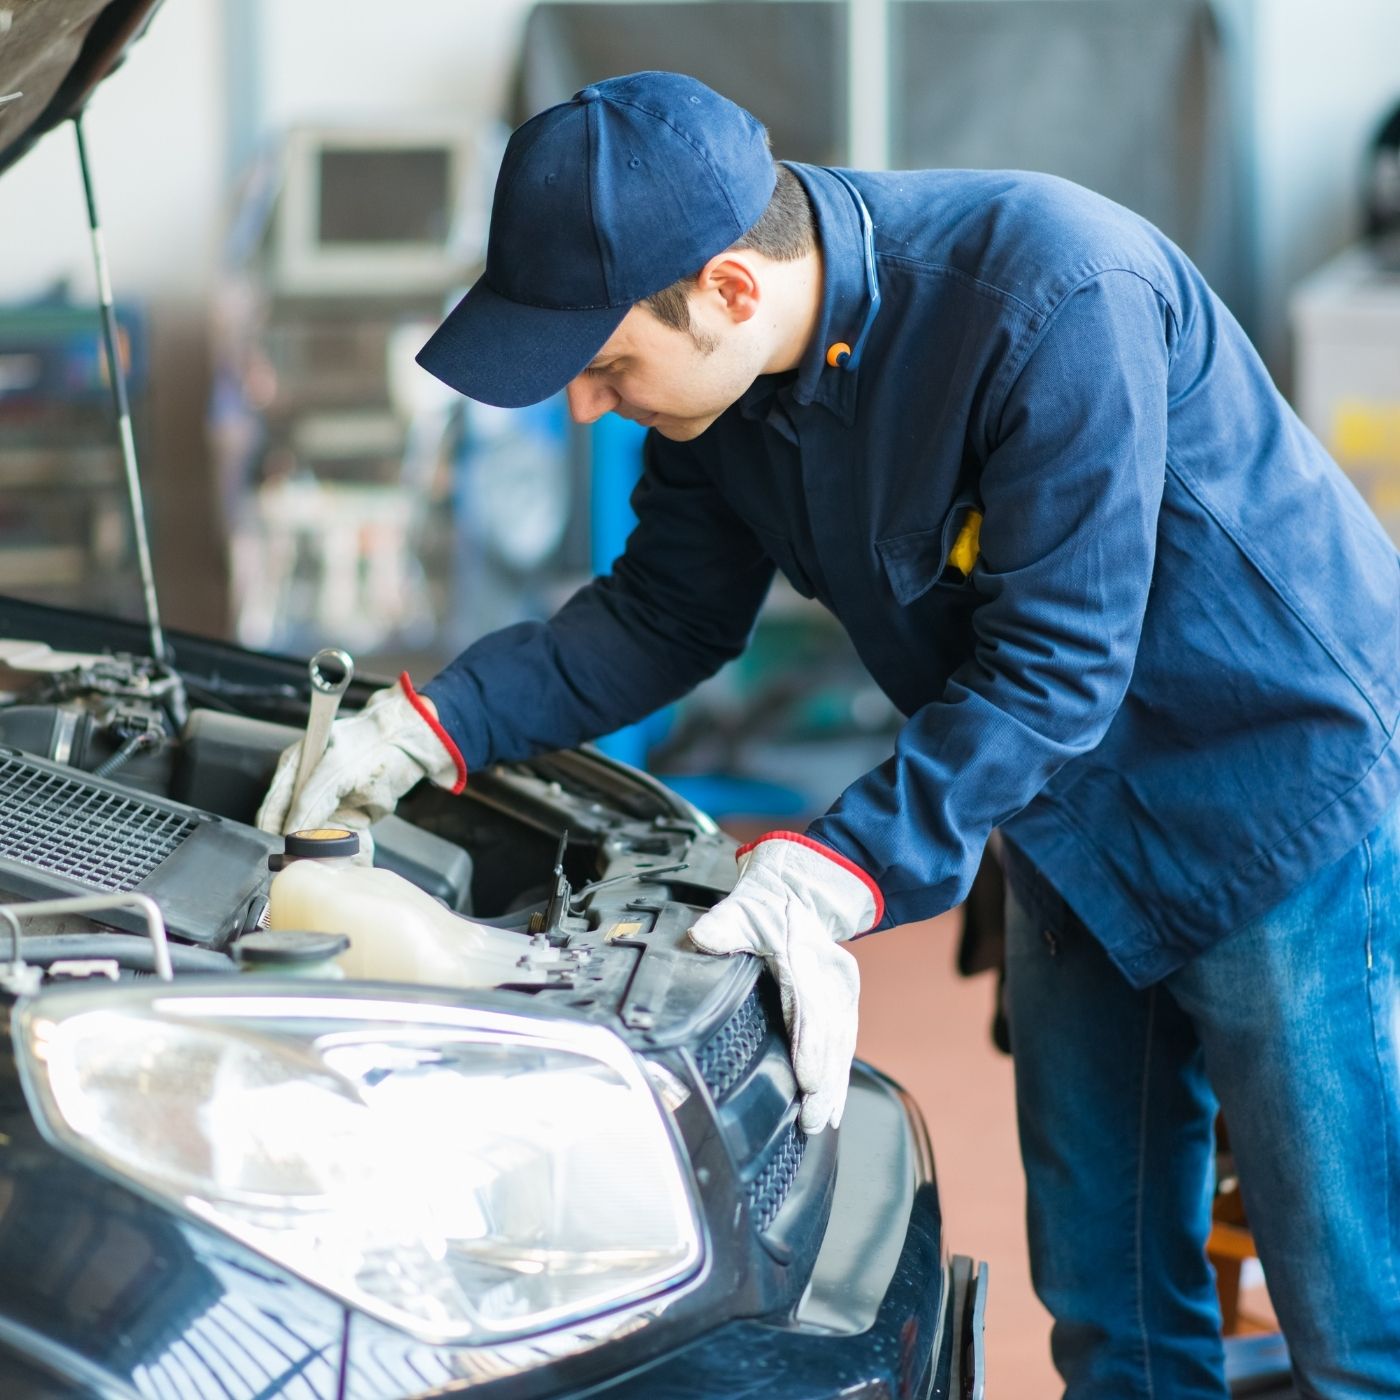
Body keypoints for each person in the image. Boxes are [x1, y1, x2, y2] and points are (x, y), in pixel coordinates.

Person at [256, 71, 1400, 1397]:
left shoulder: (1049, 294)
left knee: (1355, 1314)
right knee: (1109, 1306)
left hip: (1268, 796)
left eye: (606, 363)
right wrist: (427, 726)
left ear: (733, 289)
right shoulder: (722, 391)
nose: (585, 406)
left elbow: (1059, 662)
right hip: (1062, 819)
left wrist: (833, 865)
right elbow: (665, 613)